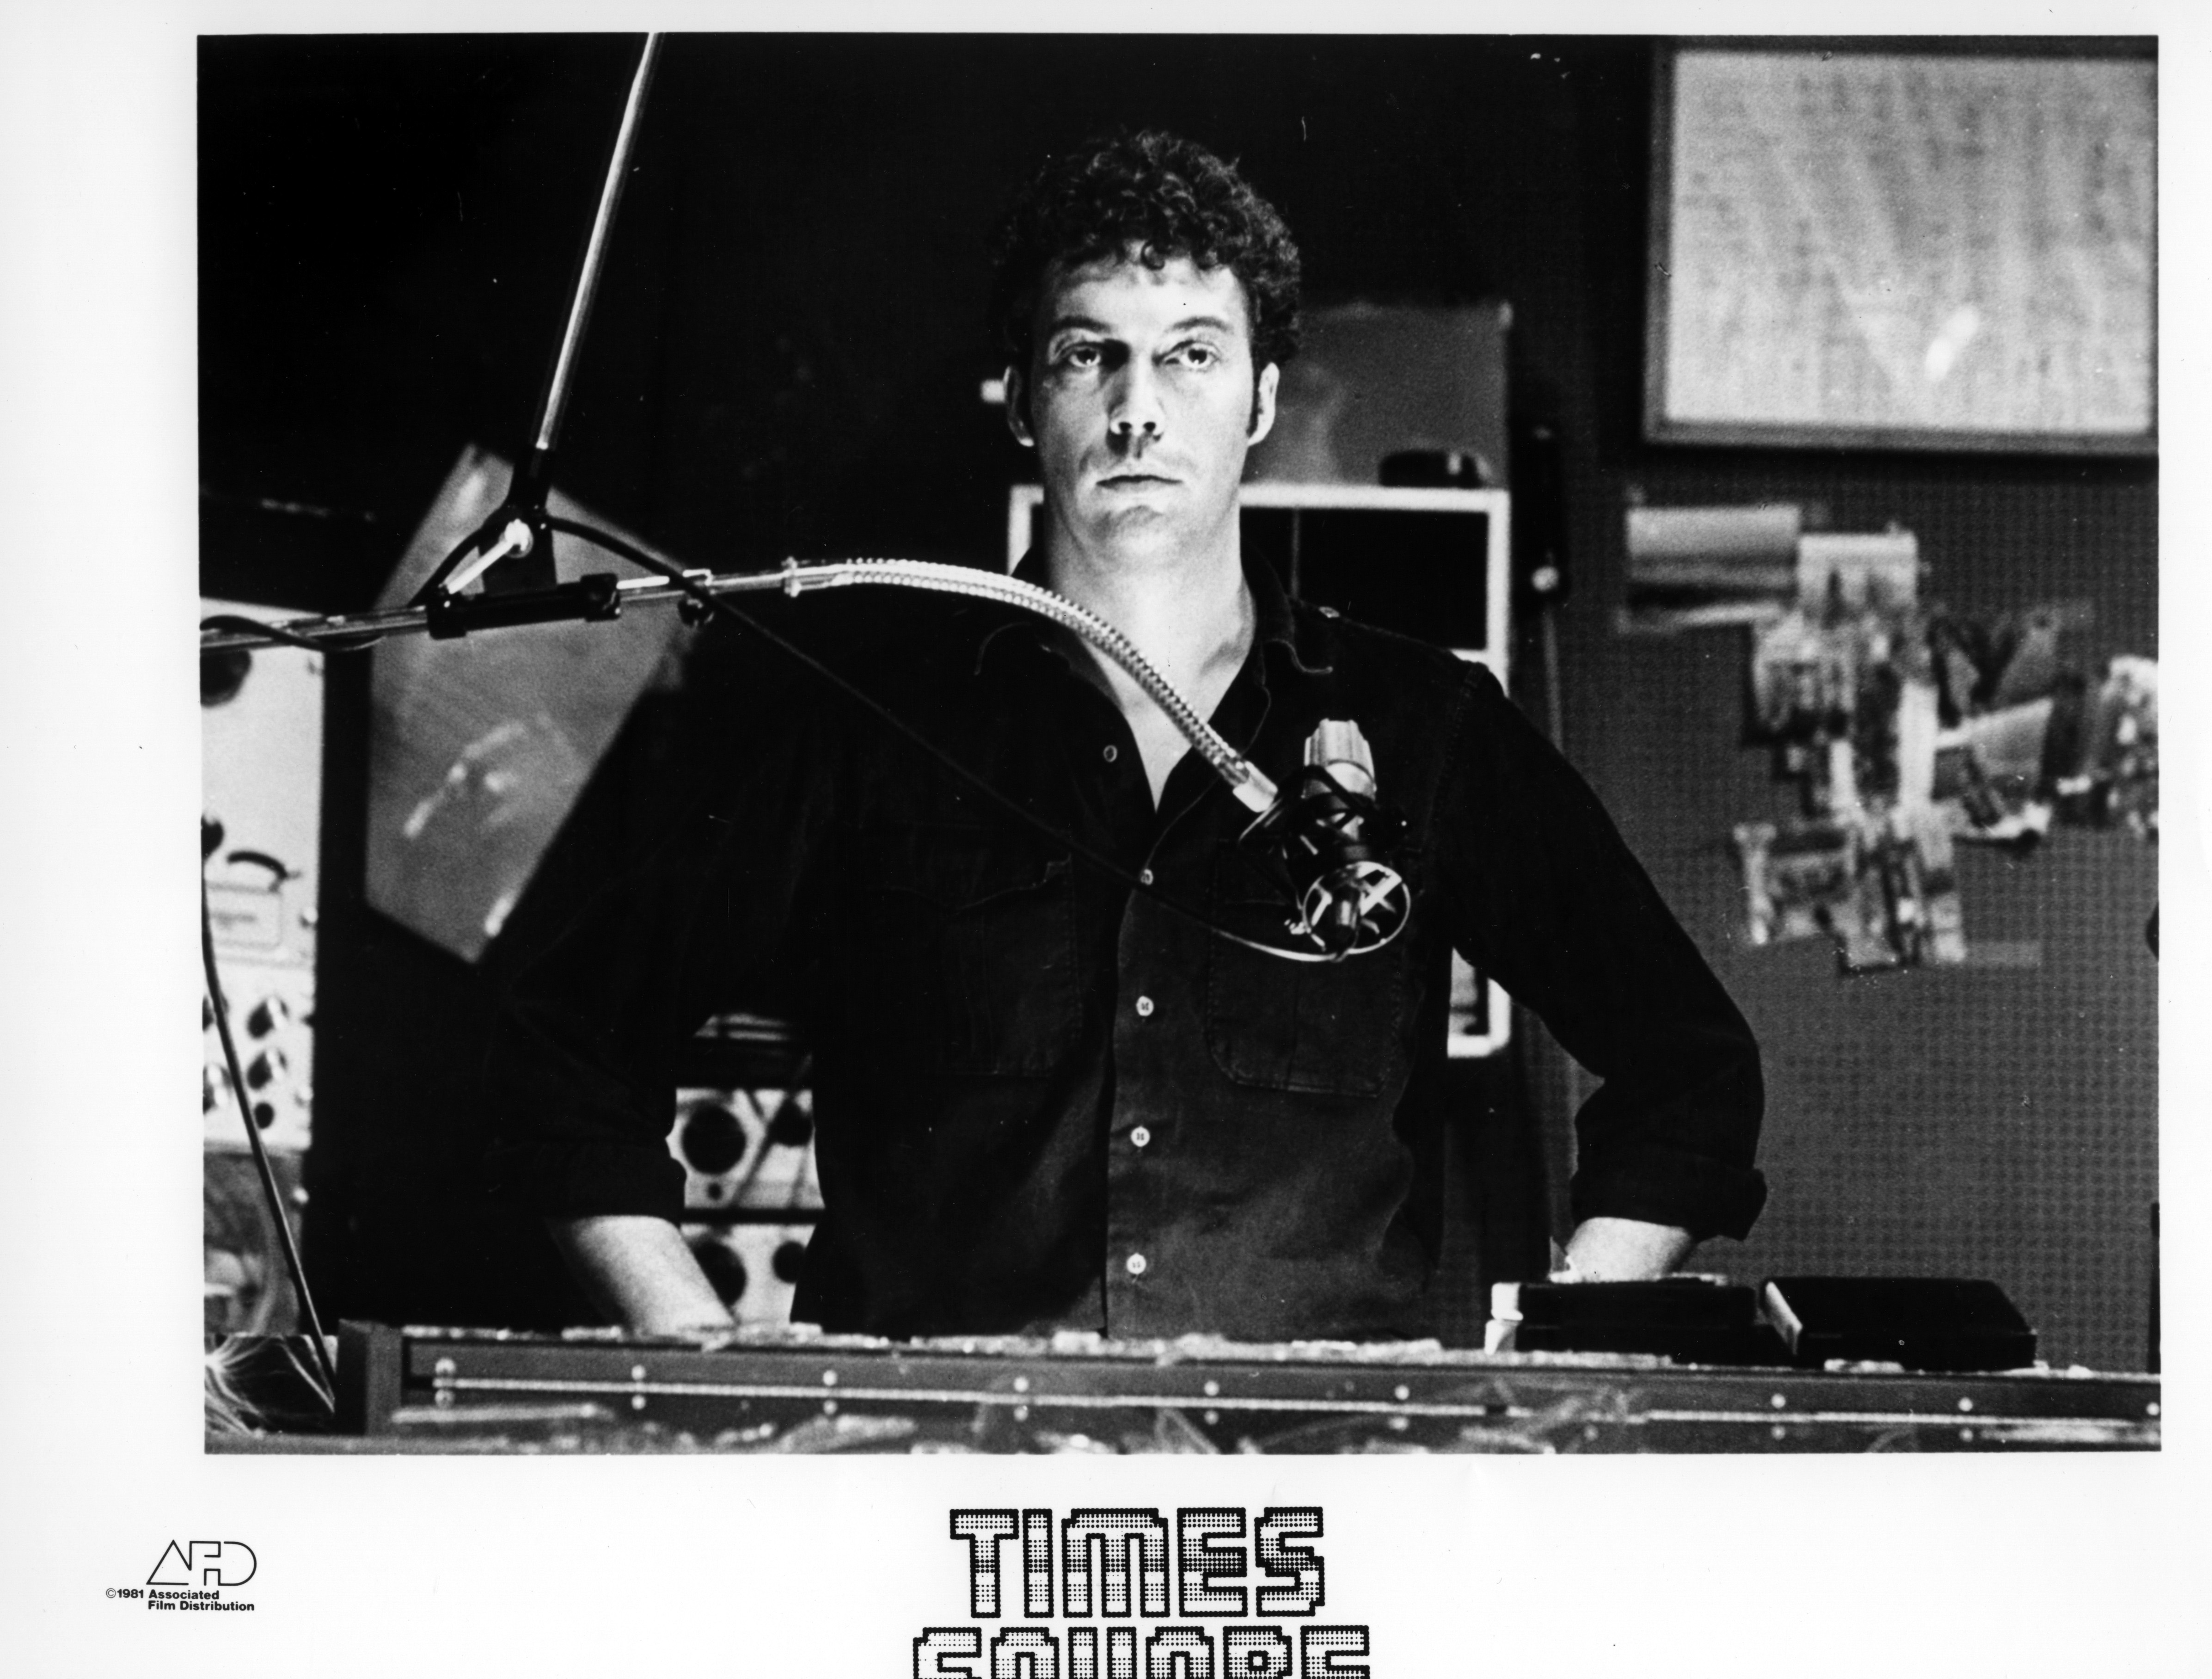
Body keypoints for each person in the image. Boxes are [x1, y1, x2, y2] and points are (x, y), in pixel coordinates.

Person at [483, 129, 1765, 1340]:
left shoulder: (1426, 732)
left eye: (1192, 354)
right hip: (925, 1487)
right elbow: (556, 1045)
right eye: (1088, 354)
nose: (1138, 409)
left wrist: (1546, 1347)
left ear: (1262, 398)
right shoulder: (866, 726)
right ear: (1019, 397)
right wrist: (702, 1359)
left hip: (1289, 1502)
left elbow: (1689, 1071)